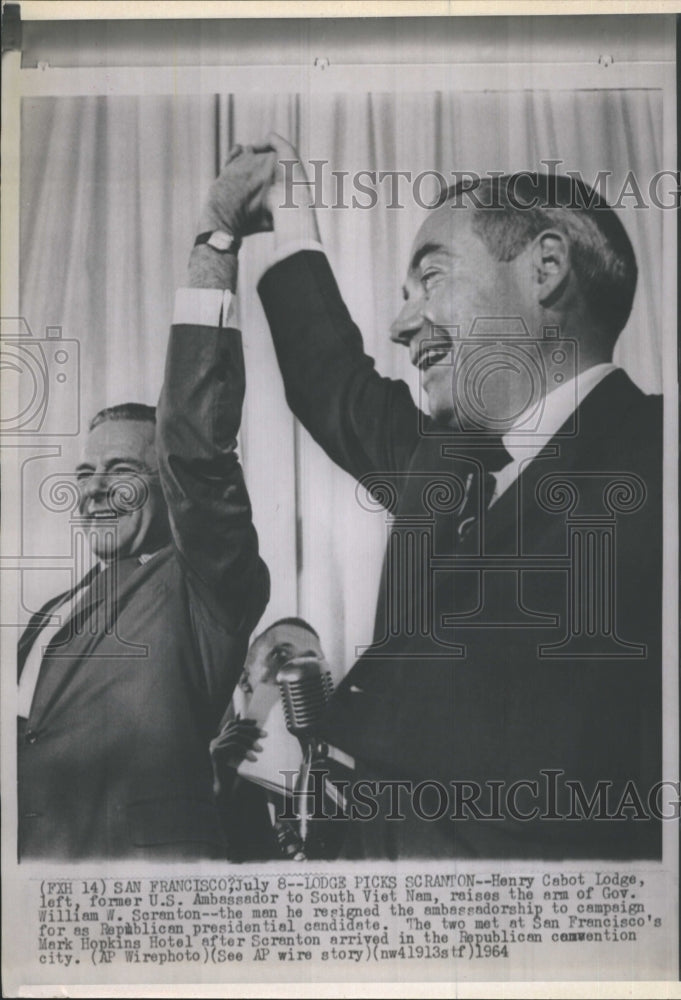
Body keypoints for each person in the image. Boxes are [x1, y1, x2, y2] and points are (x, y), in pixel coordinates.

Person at [186, 138, 662, 859]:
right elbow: (330, 381)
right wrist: (274, 212)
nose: (401, 326)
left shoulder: (659, 458)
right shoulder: (435, 471)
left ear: (545, 268)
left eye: (429, 279)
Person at [16, 148, 273, 860]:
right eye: (87, 471)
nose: (95, 486)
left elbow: (195, 439)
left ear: (171, 488)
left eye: (122, 470)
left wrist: (215, 238)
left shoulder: (205, 586)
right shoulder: (48, 616)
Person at [210, 617, 330, 861]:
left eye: (310, 660)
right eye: (281, 656)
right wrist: (211, 773)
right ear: (244, 679)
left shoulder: (343, 777)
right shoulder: (205, 767)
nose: (296, 669)